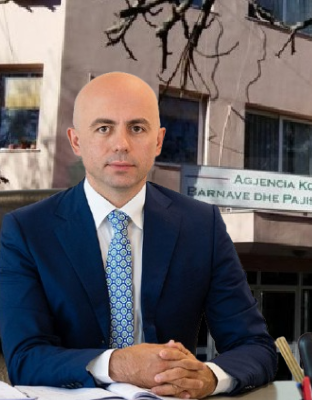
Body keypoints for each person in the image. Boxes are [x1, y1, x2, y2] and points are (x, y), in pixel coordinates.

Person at [0, 72, 277, 399]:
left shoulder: (202, 226)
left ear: (158, 141)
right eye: (104, 128)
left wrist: (210, 377)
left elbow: (255, 346)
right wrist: (118, 364)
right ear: (76, 141)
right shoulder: (26, 231)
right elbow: (25, 358)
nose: (121, 144)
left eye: (137, 128)